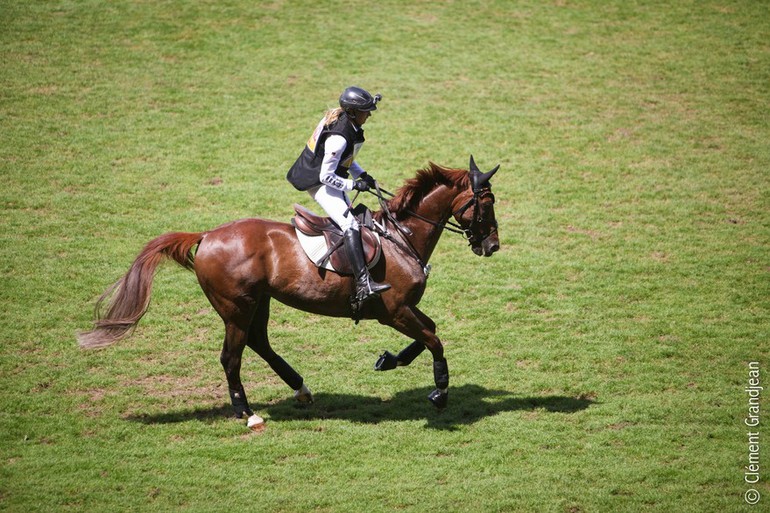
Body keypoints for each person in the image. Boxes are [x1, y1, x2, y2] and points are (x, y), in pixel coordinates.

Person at [287, 86, 391, 303]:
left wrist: (362, 174)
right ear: (352, 112)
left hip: (328, 175)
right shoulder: (339, 138)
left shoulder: (347, 124)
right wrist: (354, 185)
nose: (370, 114)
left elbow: (348, 158)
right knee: (350, 225)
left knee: (352, 219)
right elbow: (326, 176)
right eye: (366, 111)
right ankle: (364, 283)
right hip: (317, 182)